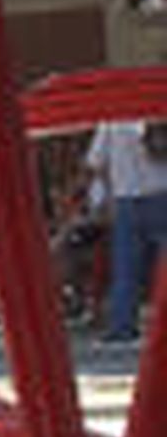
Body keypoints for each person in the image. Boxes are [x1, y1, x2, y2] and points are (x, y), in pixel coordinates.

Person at [84, 115, 167, 340]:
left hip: (126, 198)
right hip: (162, 192)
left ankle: (122, 326)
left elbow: (95, 162)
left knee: (125, 269)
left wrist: (103, 197)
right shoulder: (158, 109)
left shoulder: (111, 120)